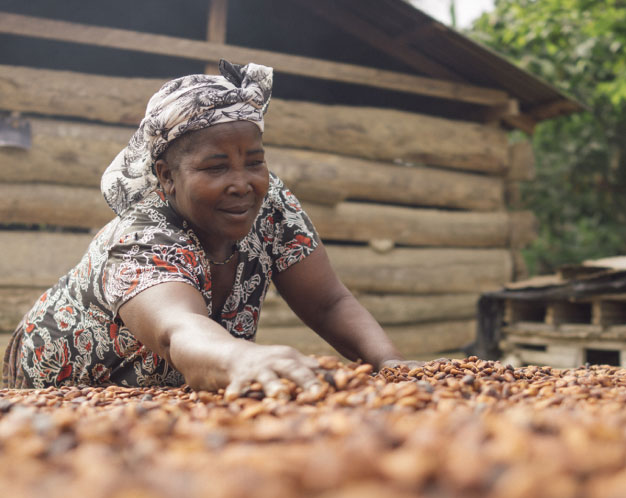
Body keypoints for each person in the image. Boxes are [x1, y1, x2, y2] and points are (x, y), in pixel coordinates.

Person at [2, 60, 413, 397]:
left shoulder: (271, 206)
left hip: (162, 398)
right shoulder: (143, 235)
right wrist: (241, 358)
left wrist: (392, 364)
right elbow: (177, 330)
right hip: (60, 392)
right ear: (166, 176)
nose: (242, 183)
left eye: (254, 161)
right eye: (216, 167)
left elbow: (328, 302)